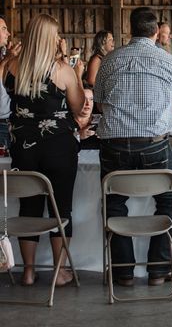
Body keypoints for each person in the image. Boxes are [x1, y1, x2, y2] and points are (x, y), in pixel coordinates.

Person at [95, 7, 172, 287]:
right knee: (170, 201)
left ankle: (122, 272)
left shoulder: (110, 60)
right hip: (154, 147)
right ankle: (158, 269)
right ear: (156, 31)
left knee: (113, 203)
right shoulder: (170, 61)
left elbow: (99, 104)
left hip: (114, 146)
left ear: (130, 29)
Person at [2, 14, 85, 287]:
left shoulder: (10, 67)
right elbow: (78, 107)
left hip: (23, 148)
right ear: (52, 38)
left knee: (29, 208)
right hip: (59, 148)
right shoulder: (62, 70)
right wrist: (79, 75)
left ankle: (28, 271)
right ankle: (60, 272)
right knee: (61, 210)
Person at [0, 16, 20, 149]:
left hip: (10, 122)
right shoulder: (4, 57)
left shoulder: (3, 54)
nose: (8, 33)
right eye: (3, 29)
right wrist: (7, 60)